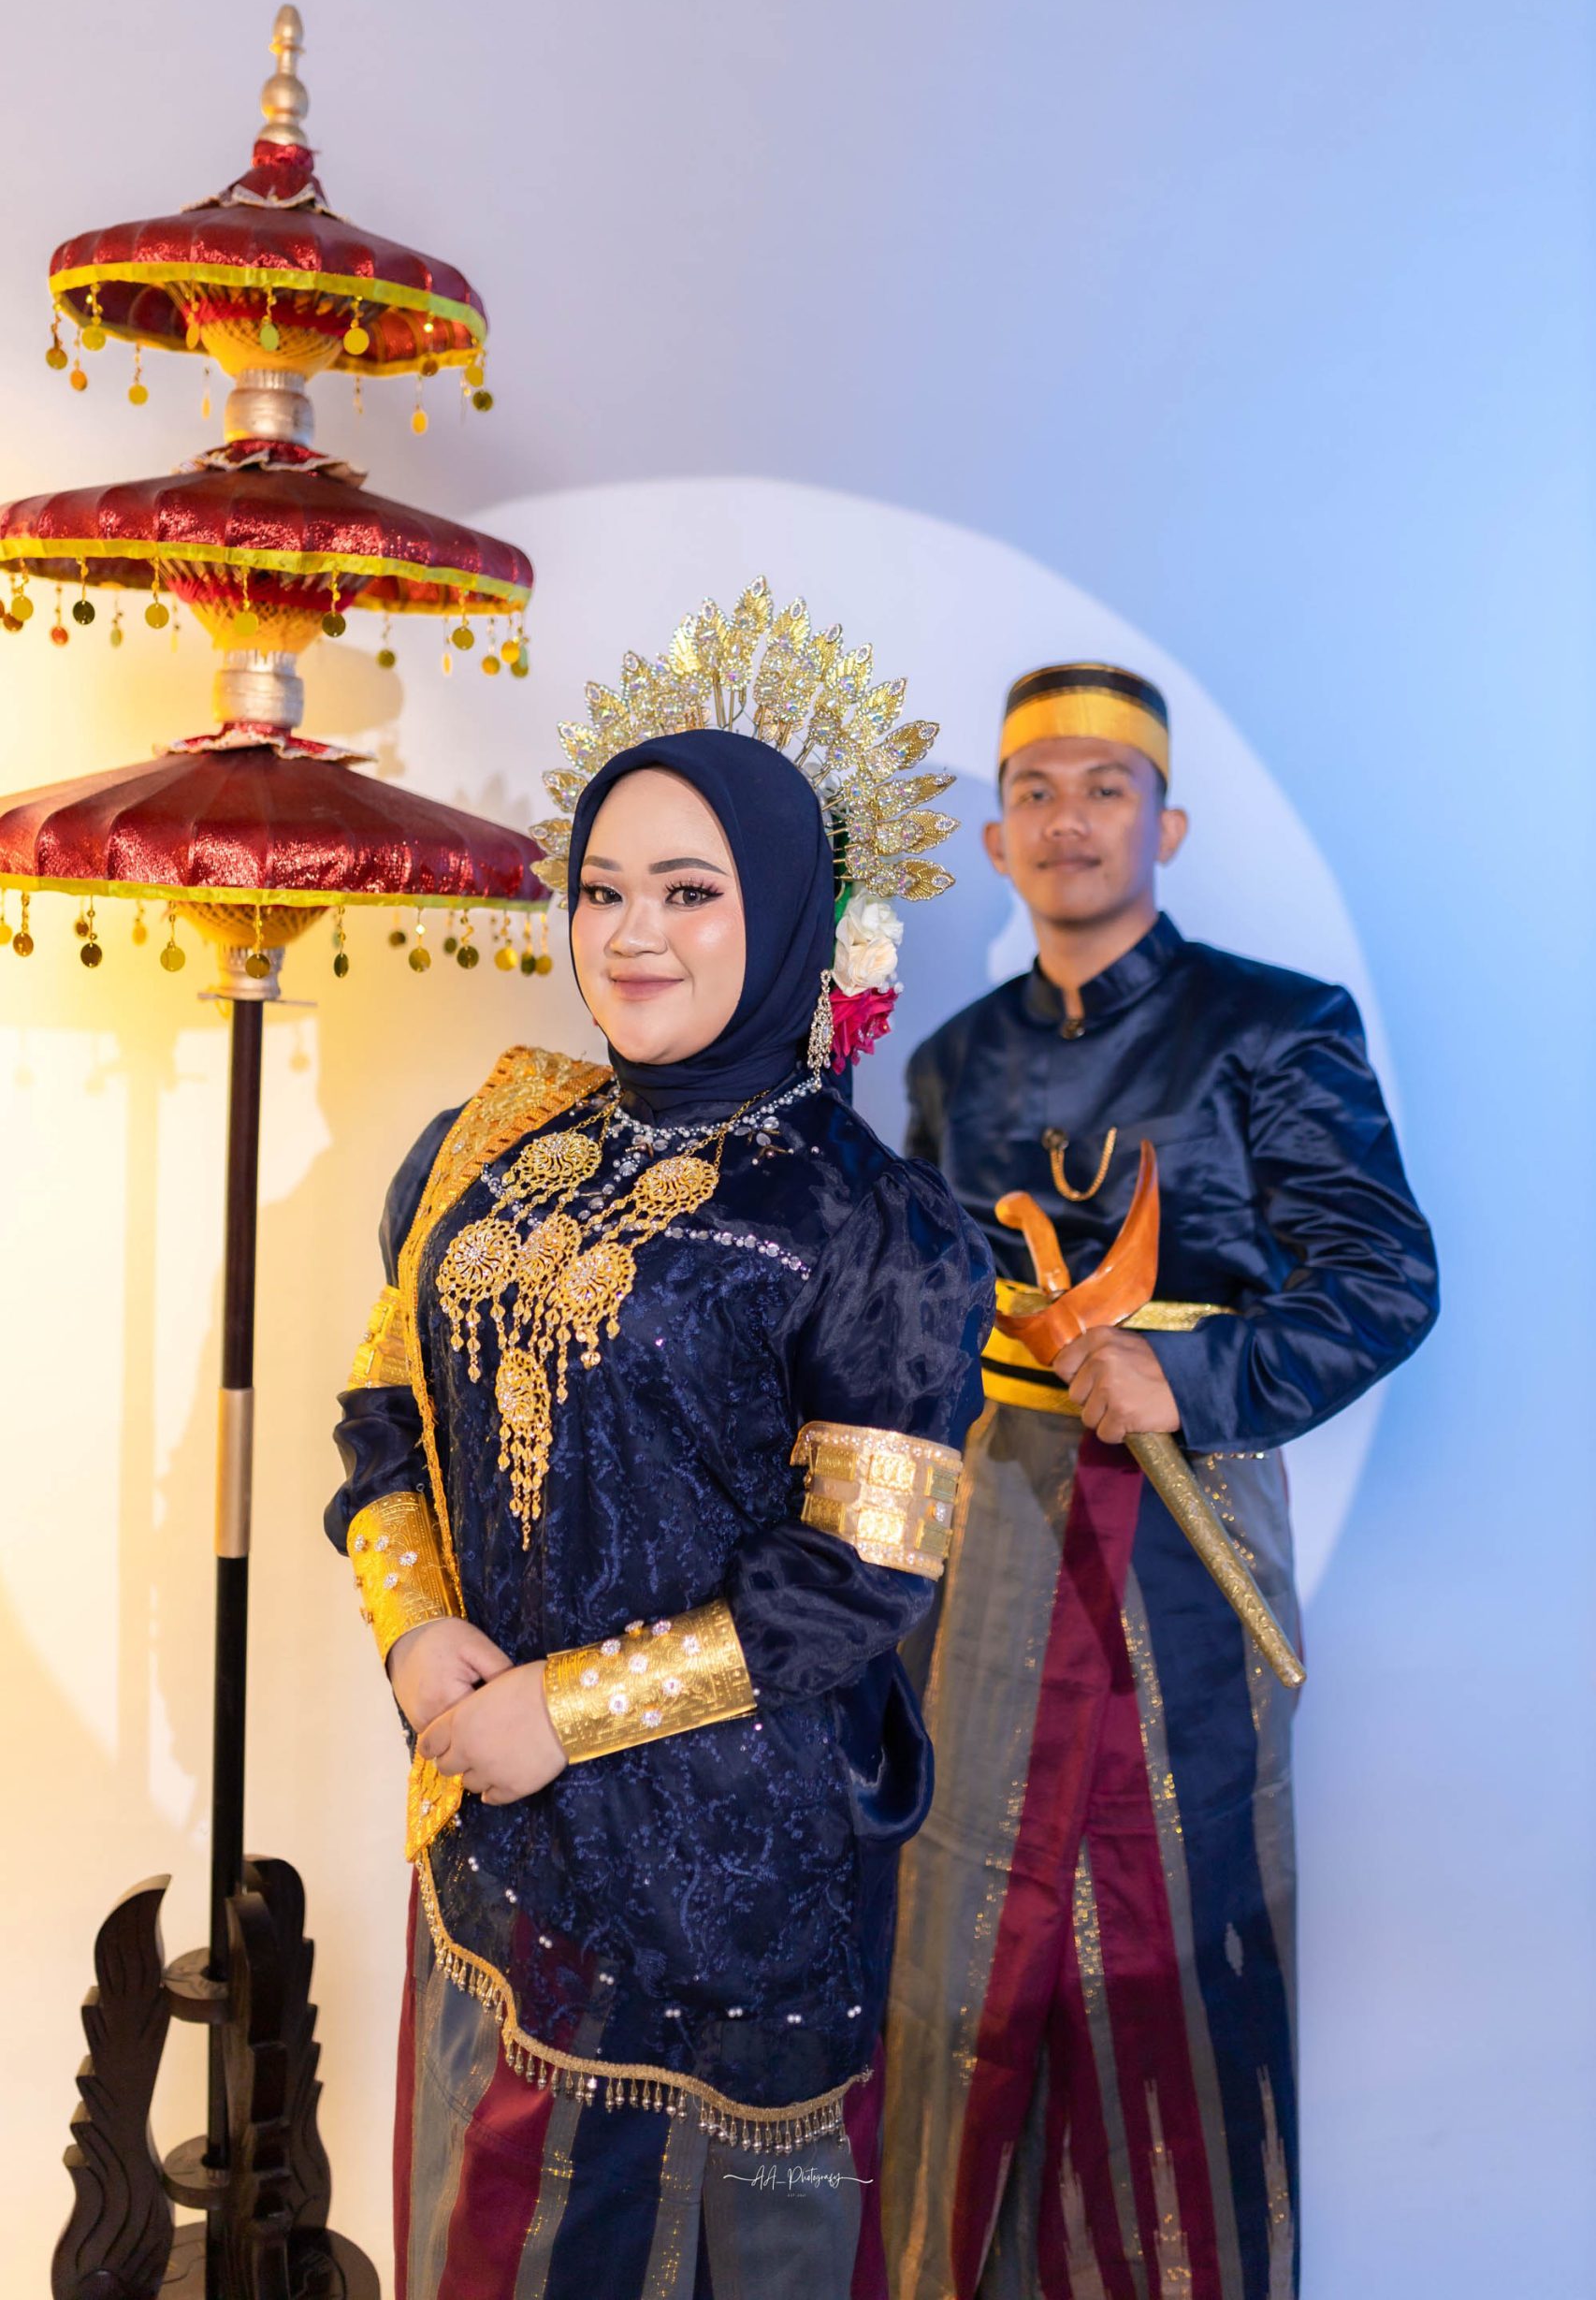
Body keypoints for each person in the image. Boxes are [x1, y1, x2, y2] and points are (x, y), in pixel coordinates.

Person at [327, 589, 993, 2300]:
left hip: (728, 1882)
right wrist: (413, 1629)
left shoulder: (874, 1226)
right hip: (485, 1828)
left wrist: (562, 1711)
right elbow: (385, 1411)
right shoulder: (488, 1138)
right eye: (602, 889)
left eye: (690, 893)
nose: (631, 935)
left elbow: (854, 1584)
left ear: (791, 920)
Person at [882, 662, 1438, 2300]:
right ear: (996, 840)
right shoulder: (949, 1063)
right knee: (964, 1913)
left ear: (1165, 825)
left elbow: (1385, 1282)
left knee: (1165, 1908)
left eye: (1104, 788)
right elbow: (912, 1313)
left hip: (1182, 1537)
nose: (1068, 820)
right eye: (1034, 791)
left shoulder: (1274, 1027)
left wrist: (1184, 1379)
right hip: (982, 1535)